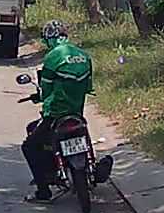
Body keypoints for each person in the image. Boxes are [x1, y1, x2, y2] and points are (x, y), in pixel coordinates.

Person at [22, 20, 110, 202]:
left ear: (49, 38)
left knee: (29, 146)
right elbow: (88, 87)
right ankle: (92, 167)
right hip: (77, 114)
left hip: (55, 115)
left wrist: (40, 97)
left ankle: (43, 192)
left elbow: (46, 90)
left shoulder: (53, 57)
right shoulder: (84, 56)